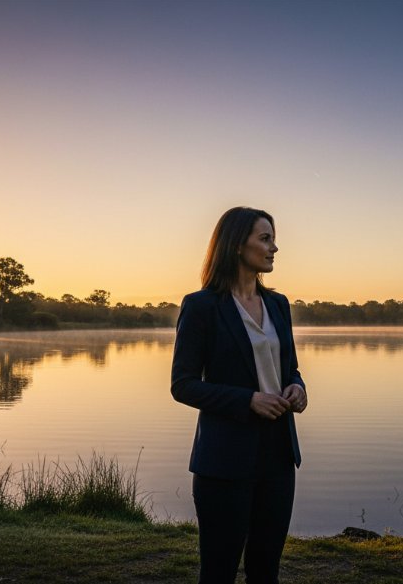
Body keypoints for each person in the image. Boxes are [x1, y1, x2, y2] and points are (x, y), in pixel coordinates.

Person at [171, 206, 307, 584]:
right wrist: (248, 400)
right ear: (235, 245)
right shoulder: (202, 307)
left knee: (266, 571)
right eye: (265, 239)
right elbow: (182, 385)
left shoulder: (278, 305)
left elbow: (290, 368)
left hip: (278, 456)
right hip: (224, 461)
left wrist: (297, 389)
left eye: (273, 239)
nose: (274, 248)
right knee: (218, 572)